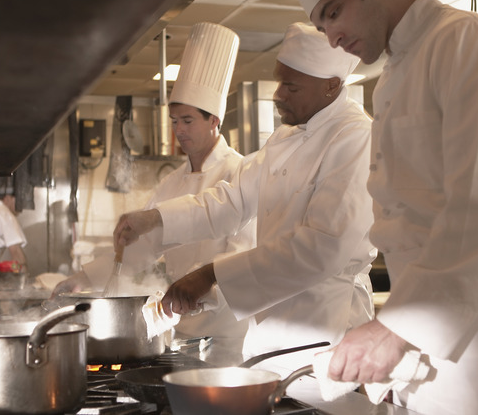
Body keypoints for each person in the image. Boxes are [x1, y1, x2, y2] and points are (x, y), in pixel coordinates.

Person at [283, 0, 478, 413]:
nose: (332, 37)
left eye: (333, 12)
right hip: (430, 335)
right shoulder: (391, 77)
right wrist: (400, 330)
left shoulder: (466, 40)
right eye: (322, 24)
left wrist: (394, 330)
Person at [114, 22, 376, 372]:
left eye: (291, 86)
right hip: (269, 334)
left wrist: (211, 274)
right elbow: (231, 201)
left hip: (326, 331)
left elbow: (320, 248)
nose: (278, 94)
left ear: (331, 85)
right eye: (279, 81)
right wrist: (153, 219)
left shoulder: (355, 137)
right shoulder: (284, 137)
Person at [54, 23, 255, 358]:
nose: (178, 130)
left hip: (226, 340)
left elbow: (240, 260)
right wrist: (82, 278)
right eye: (174, 121)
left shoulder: (240, 172)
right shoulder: (172, 182)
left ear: (214, 121)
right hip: (178, 335)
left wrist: (185, 300)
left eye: (188, 121)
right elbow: (141, 250)